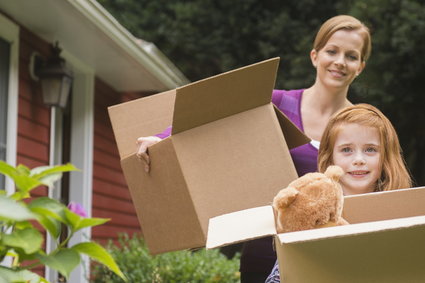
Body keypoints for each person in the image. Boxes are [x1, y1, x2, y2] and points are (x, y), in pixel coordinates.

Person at [136, 14, 372, 282]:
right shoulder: (276, 104)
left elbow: (379, 184)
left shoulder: (363, 124)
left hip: (328, 257)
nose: (340, 61)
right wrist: (163, 139)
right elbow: (217, 121)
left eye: (351, 56)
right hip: (265, 251)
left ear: (361, 66)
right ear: (315, 56)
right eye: (332, 51)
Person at [265, 103, 412, 282]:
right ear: (330, 158)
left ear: (386, 157)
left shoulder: (403, 214)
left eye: (370, 149)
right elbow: (279, 276)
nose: (359, 160)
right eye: (346, 150)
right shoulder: (311, 212)